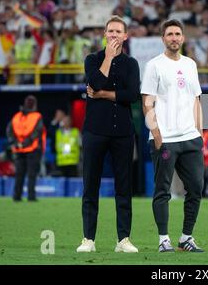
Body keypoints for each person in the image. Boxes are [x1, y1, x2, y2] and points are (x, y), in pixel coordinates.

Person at [76, 15, 140, 253]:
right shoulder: (92, 59)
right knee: (90, 186)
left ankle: (123, 239)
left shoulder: (131, 64)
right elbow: (95, 80)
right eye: (110, 31)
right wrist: (109, 58)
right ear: (105, 34)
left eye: (118, 31)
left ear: (125, 36)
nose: (113, 35)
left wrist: (103, 94)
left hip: (123, 132)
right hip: (94, 131)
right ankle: (88, 239)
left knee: (124, 187)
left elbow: (132, 94)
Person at [141, 19, 205, 253]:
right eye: (170, 34)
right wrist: (157, 135)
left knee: (196, 188)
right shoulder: (154, 65)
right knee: (163, 190)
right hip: (165, 138)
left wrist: (200, 133)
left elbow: (196, 100)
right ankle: (163, 239)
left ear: (183, 38)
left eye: (178, 34)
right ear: (163, 39)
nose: (174, 38)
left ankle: (186, 238)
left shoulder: (190, 64)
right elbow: (147, 103)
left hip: (190, 138)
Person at [6, 95, 46, 201]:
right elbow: (36, 133)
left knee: (19, 174)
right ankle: (31, 196)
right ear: (34, 105)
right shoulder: (37, 116)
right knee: (31, 174)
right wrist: (23, 144)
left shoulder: (16, 116)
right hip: (32, 149)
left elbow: (9, 130)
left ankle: (16, 196)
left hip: (19, 149)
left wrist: (14, 143)